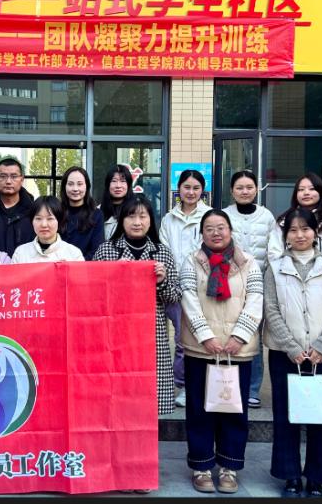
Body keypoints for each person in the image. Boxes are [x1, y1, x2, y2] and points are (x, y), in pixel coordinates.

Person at [178, 209, 263, 495]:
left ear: (230, 230)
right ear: (201, 233)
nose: (216, 233)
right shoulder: (191, 261)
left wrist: (239, 336)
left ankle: (229, 467)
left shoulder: (249, 262)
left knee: (233, 411)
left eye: (221, 227)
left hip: (236, 351)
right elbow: (188, 299)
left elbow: (256, 299)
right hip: (201, 350)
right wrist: (206, 337)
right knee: (199, 411)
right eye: (210, 228)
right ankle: (201, 466)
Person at [263, 208, 322, 499]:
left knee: (320, 416)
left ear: (315, 232)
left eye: (305, 229)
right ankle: (290, 474)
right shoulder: (274, 267)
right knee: (285, 416)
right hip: (284, 354)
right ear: (286, 236)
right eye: (293, 230)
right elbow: (271, 309)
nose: (300, 235)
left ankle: (316, 477)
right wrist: (292, 347)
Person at [93, 194, 181, 415]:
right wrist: (115, 276)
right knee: (118, 403)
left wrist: (162, 282)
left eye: (143, 216)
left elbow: (174, 297)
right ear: (122, 220)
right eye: (131, 216)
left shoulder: (162, 253)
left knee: (149, 404)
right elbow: (94, 297)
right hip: (115, 335)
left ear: (151, 220)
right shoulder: (106, 251)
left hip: (152, 337)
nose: (137, 222)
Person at [222, 170, 278, 410]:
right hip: (230, 285)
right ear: (232, 191)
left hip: (259, 286)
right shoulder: (224, 214)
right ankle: (228, 385)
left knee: (253, 337)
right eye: (239, 187)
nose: (244, 191)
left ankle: (253, 389)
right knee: (230, 334)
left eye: (249, 187)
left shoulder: (267, 216)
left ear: (256, 189)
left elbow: (274, 250)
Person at [159, 169, 213, 408]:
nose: (191, 192)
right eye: (186, 187)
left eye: (196, 188)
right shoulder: (168, 219)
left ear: (202, 191)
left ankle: (185, 386)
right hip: (171, 286)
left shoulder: (209, 216)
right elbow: (164, 250)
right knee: (175, 339)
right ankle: (173, 383)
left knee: (188, 340)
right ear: (178, 189)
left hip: (198, 288)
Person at [268, 172, 322, 268]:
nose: (306, 193)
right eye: (301, 189)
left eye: (312, 189)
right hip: (288, 274)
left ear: (321, 192)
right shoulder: (284, 222)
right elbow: (274, 254)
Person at [0, 158, 35, 256]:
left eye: (14, 176)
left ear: (22, 179)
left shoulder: (33, 210)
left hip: (25, 264)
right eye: (3, 176)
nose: (8, 181)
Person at [11, 196, 85, 263]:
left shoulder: (74, 254)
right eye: (38, 218)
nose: (44, 224)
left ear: (59, 221)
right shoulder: (20, 253)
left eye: (50, 219)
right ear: (32, 221)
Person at [59, 166, 104, 260]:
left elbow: (96, 250)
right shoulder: (56, 212)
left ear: (87, 186)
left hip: (85, 266)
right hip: (58, 264)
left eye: (80, 184)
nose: (75, 189)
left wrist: (75, 263)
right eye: (70, 184)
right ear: (64, 186)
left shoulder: (96, 215)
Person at [100, 164, 133, 241]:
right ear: (108, 184)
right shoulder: (98, 211)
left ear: (128, 185)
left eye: (123, 181)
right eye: (114, 181)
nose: (118, 186)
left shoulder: (137, 210)